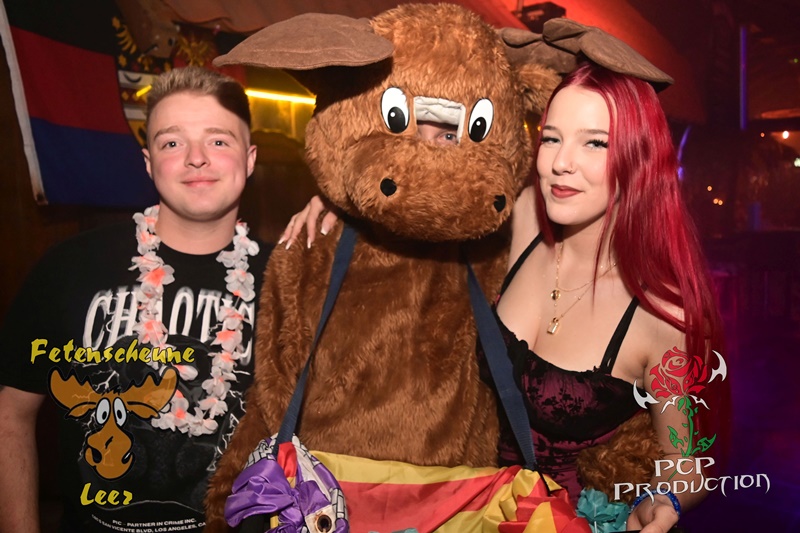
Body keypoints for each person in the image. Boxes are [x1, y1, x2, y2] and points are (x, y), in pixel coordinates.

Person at [282, 61, 725, 533]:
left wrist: (664, 499)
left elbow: (687, 459)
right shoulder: (527, 216)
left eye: (595, 143)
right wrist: (343, 200)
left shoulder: (663, 314)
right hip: (470, 509)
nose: (560, 162)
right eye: (551, 138)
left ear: (640, 157)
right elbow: (432, 199)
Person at [0, 66, 270, 533]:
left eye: (218, 140)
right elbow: (11, 414)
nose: (196, 158)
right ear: (148, 162)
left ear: (249, 160)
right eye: (172, 142)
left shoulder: (293, 280)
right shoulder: (68, 267)